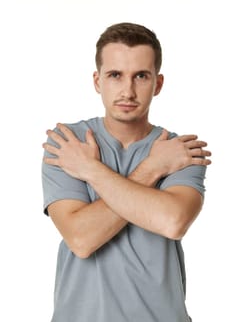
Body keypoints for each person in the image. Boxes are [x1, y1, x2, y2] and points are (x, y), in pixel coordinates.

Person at [42, 22, 211, 322]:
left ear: (158, 84)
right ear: (98, 81)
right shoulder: (68, 143)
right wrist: (153, 170)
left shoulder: (180, 151)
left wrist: (89, 169)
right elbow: (81, 239)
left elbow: (172, 222)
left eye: (141, 76)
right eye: (115, 75)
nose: (128, 91)